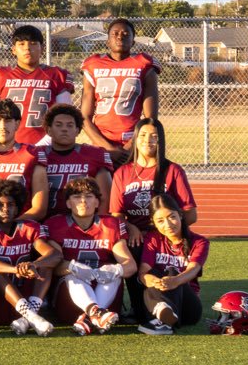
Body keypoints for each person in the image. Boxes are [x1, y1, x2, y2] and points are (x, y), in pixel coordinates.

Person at [110, 117, 197, 320]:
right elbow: (115, 215)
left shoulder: (172, 170)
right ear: (135, 139)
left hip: (163, 237)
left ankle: (168, 305)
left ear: (161, 141)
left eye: (154, 137)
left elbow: (191, 214)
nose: (147, 141)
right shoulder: (122, 173)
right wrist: (130, 226)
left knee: (157, 257)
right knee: (129, 247)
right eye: (142, 135)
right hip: (136, 237)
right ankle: (138, 308)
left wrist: (162, 231)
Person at [0, 180, 61, 337]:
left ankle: (31, 314)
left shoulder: (30, 228)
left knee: (46, 263)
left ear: (17, 207)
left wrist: (33, 264)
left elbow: (55, 254)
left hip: (26, 292)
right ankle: (32, 316)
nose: (5, 209)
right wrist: (15, 269)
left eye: (10, 204)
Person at [46, 177, 135, 336]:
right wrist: (72, 267)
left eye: (88, 196)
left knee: (114, 276)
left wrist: (116, 269)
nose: (83, 201)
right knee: (72, 275)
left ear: (97, 202)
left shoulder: (111, 224)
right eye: (76, 197)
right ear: (68, 203)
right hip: (69, 298)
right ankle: (96, 314)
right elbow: (54, 265)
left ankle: (89, 318)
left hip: (104, 289)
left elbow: (130, 266)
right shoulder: (55, 224)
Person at [80, 17, 160, 164]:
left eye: (125, 34)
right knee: (101, 185)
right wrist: (107, 148)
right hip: (101, 142)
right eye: (115, 33)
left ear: (133, 42)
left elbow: (151, 117)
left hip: (133, 141)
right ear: (107, 41)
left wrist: (131, 145)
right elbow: (84, 116)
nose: (120, 37)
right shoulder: (93, 64)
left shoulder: (144, 64)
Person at [0, 25, 73, 145]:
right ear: (13, 49)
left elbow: (66, 118)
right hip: (8, 147)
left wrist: (42, 146)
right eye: (21, 44)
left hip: (46, 147)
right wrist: (7, 145)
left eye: (33, 43)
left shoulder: (57, 75)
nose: (27, 48)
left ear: (42, 48)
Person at [136, 194, 209, 335]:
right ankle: (163, 318)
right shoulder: (153, 238)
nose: (168, 225)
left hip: (188, 308)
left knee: (171, 271)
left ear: (180, 215)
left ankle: (163, 318)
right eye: (160, 221)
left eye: (172, 217)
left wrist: (174, 281)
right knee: (154, 276)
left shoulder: (200, 242)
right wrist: (150, 280)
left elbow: (193, 270)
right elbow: (143, 271)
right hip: (157, 299)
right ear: (154, 222)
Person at [42, 104, 114, 216]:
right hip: (46, 220)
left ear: (77, 130)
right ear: (49, 130)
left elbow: (105, 198)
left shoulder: (94, 155)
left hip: (83, 221)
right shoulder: (38, 154)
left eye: (70, 125)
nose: (64, 129)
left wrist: (96, 226)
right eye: (59, 125)